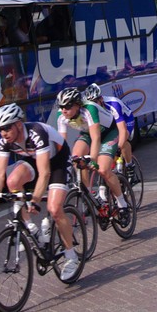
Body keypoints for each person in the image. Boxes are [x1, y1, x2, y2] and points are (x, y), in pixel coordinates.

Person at [0, 103, 80, 280]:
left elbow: (45, 172)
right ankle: (31, 228)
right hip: (34, 159)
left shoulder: (36, 133)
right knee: (12, 181)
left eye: (7, 128)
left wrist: (35, 200)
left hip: (58, 162)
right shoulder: (4, 142)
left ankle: (71, 256)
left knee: (55, 209)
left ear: (18, 124)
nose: (3, 133)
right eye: (0, 129)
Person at [56, 88, 131, 216]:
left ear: (77, 105)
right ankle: (90, 196)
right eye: (61, 106)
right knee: (76, 158)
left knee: (103, 170)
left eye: (67, 106)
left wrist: (93, 160)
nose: (63, 110)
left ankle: (122, 203)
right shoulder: (61, 116)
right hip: (87, 133)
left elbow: (96, 138)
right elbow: (61, 143)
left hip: (108, 133)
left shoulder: (89, 109)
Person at [82, 84, 137, 182]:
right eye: (91, 103)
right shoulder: (90, 109)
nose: (93, 105)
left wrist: (118, 147)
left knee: (122, 141)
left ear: (101, 99)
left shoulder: (113, 104)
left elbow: (122, 130)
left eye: (95, 102)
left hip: (126, 119)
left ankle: (130, 166)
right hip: (109, 122)